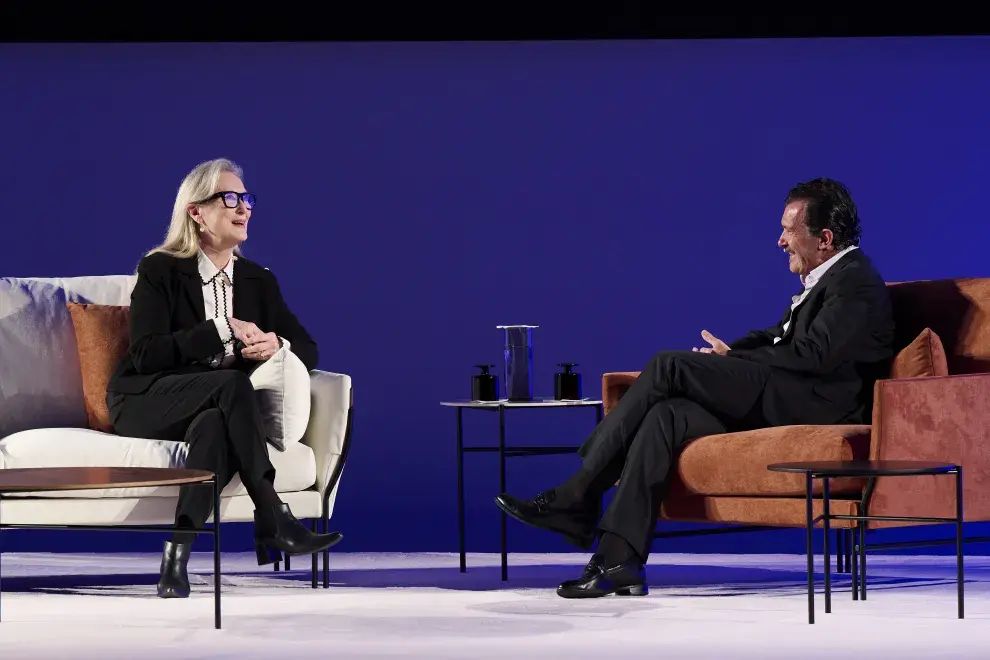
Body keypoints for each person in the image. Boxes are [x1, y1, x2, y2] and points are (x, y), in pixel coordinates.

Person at [495, 177, 895, 599]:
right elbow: (778, 336)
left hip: (813, 405)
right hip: (789, 392)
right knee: (665, 417)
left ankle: (577, 493)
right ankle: (619, 560)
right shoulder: (832, 278)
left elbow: (813, 356)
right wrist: (732, 351)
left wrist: (732, 362)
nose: (780, 241)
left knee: (669, 365)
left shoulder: (856, 283)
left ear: (825, 238)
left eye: (788, 230)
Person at [106, 158, 342, 599]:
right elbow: (145, 354)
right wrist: (219, 329)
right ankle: (274, 517)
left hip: (216, 407)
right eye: (228, 199)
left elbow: (307, 348)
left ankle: (176, 557)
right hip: (148, 400)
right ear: (196, 212)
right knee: (233, 388)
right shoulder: (160, 270)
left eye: (246, 199)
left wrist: (277, 345)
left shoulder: (258, 280)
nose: (243, 208)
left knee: (218, 425)